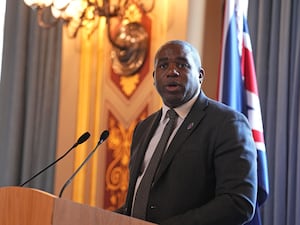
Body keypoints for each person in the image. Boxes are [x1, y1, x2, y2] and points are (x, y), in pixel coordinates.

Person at [116, 40, 257, 225]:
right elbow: (139, 201)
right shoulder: (143, 128)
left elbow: (238, 202)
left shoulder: (227, 123)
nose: (172, 72)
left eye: (182, 65)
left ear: (200, 76)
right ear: (154, 77)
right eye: (163, 65)